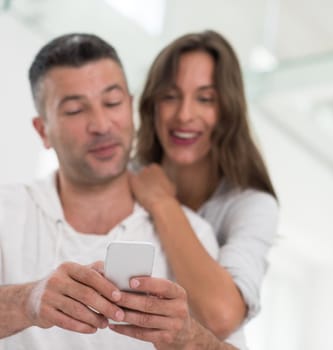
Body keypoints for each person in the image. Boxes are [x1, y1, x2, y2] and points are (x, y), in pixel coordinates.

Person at [0, 33, 237, 350]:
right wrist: (25, 302)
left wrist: (190, 339)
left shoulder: (193, 234)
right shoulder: (7, 211)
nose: (101, 124)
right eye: (74, 110)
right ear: (43, 130)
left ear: (130, 106)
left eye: (112, 103)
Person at [130, 30, 279, 345]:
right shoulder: (125, 178)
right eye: (170, 96)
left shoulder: (251, 205)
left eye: (205, 99)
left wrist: (162, 203)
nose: (185, 114)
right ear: (152, 105)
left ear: (227, 110)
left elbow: (221, 316)